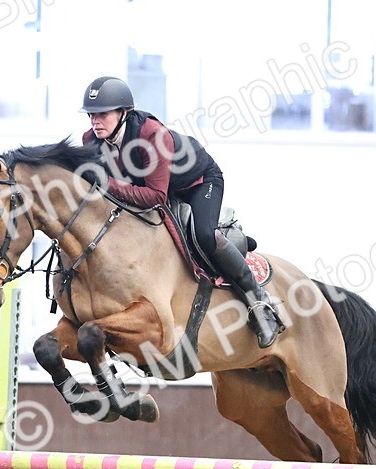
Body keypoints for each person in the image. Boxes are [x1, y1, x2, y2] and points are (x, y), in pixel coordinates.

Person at [79, 76, 284, 348]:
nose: (95, 121)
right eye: (92, 115)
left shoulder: (150, 134)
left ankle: (258, 302)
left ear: (123, 113)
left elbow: (155, 196)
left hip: (199, 182)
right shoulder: (91, 141)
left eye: (102, 114)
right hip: (158, 186)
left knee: (203, 236)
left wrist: (107, 184)